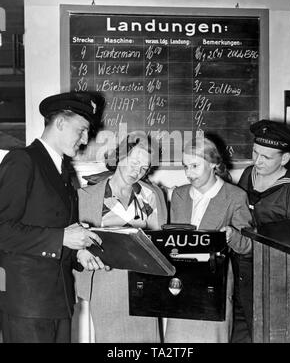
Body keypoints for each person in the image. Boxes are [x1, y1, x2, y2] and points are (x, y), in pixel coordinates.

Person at [0, 91, 105, 343]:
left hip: (59, 302)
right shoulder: (22, 160)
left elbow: (56, 233)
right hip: (27, 305)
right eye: (81, 130)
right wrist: (62, 237)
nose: (84, 139)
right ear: (60, 123)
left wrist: (79, 252)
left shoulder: (63, 172)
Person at [75, 137, 168, 343]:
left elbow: (160, 241)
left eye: (144, 168)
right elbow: (75, 239)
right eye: (134, 163)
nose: (137, 171)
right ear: (120, 156)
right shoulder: (86, 195)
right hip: (106, 281)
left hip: (144, 282)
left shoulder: (152, 195)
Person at [164, 135, 253, 343]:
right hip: (181, 281)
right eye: (185, 167)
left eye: (194, 166)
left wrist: (231, 236)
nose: (188, 173)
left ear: (213, 164)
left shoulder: (235, 196)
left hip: (215, 284)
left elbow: (248, 247)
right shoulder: (179, 195)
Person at [231, 119, 290, 343]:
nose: (257, 161)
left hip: (274, 273)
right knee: (239, 329)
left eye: (266, 157)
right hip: (240, 264)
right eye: (255, 153)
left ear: (285, 159)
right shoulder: (248, 174)